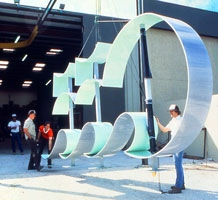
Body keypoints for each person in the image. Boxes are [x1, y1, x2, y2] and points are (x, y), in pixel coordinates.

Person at [155, 104, 185, 194]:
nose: (170, 113)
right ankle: (181, 184)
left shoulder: (182, 120)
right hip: (174, 143)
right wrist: (158, 122)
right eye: (170, 112)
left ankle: (178, 187)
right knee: (178, 164)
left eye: (171, 112)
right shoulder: (173, 120)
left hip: (179, 143)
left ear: (176, 111)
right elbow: (165, 130)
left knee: (178, 165)